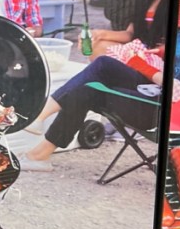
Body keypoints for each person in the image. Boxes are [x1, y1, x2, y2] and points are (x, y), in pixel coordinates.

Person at [18, 54, 163, 172]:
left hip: (160, 110)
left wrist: (142, 65)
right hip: (153, 88)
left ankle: (39, 145)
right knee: (102, 64)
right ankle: (40, 143)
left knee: (88, 88)